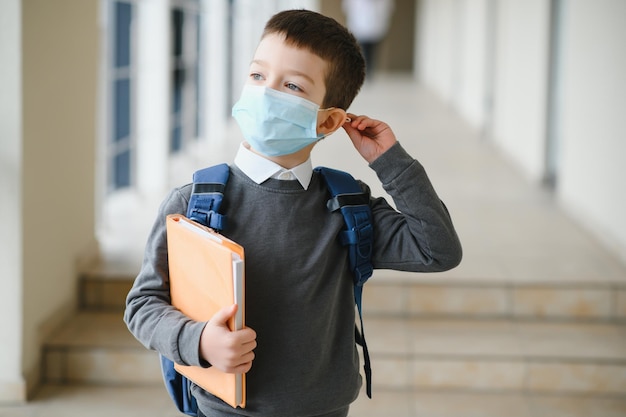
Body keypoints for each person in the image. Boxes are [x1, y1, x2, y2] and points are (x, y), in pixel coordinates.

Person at [124, 9, 461, 417]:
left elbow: (438, 249)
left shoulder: (347, 206)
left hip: (326, 409)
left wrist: (390, 161)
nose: (266, 93)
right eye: (257, 75)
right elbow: (143, 304)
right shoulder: (193, 203)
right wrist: (197, 341)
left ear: (330, 120)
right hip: (225, 410)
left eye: (293, 86)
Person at [343, 0, 395, 78]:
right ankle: (366, 71)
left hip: (376, 28)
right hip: (360, 27)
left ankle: (369, 71)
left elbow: (389, 8)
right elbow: (347, 7)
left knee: (371, 51)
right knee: (363, 50)